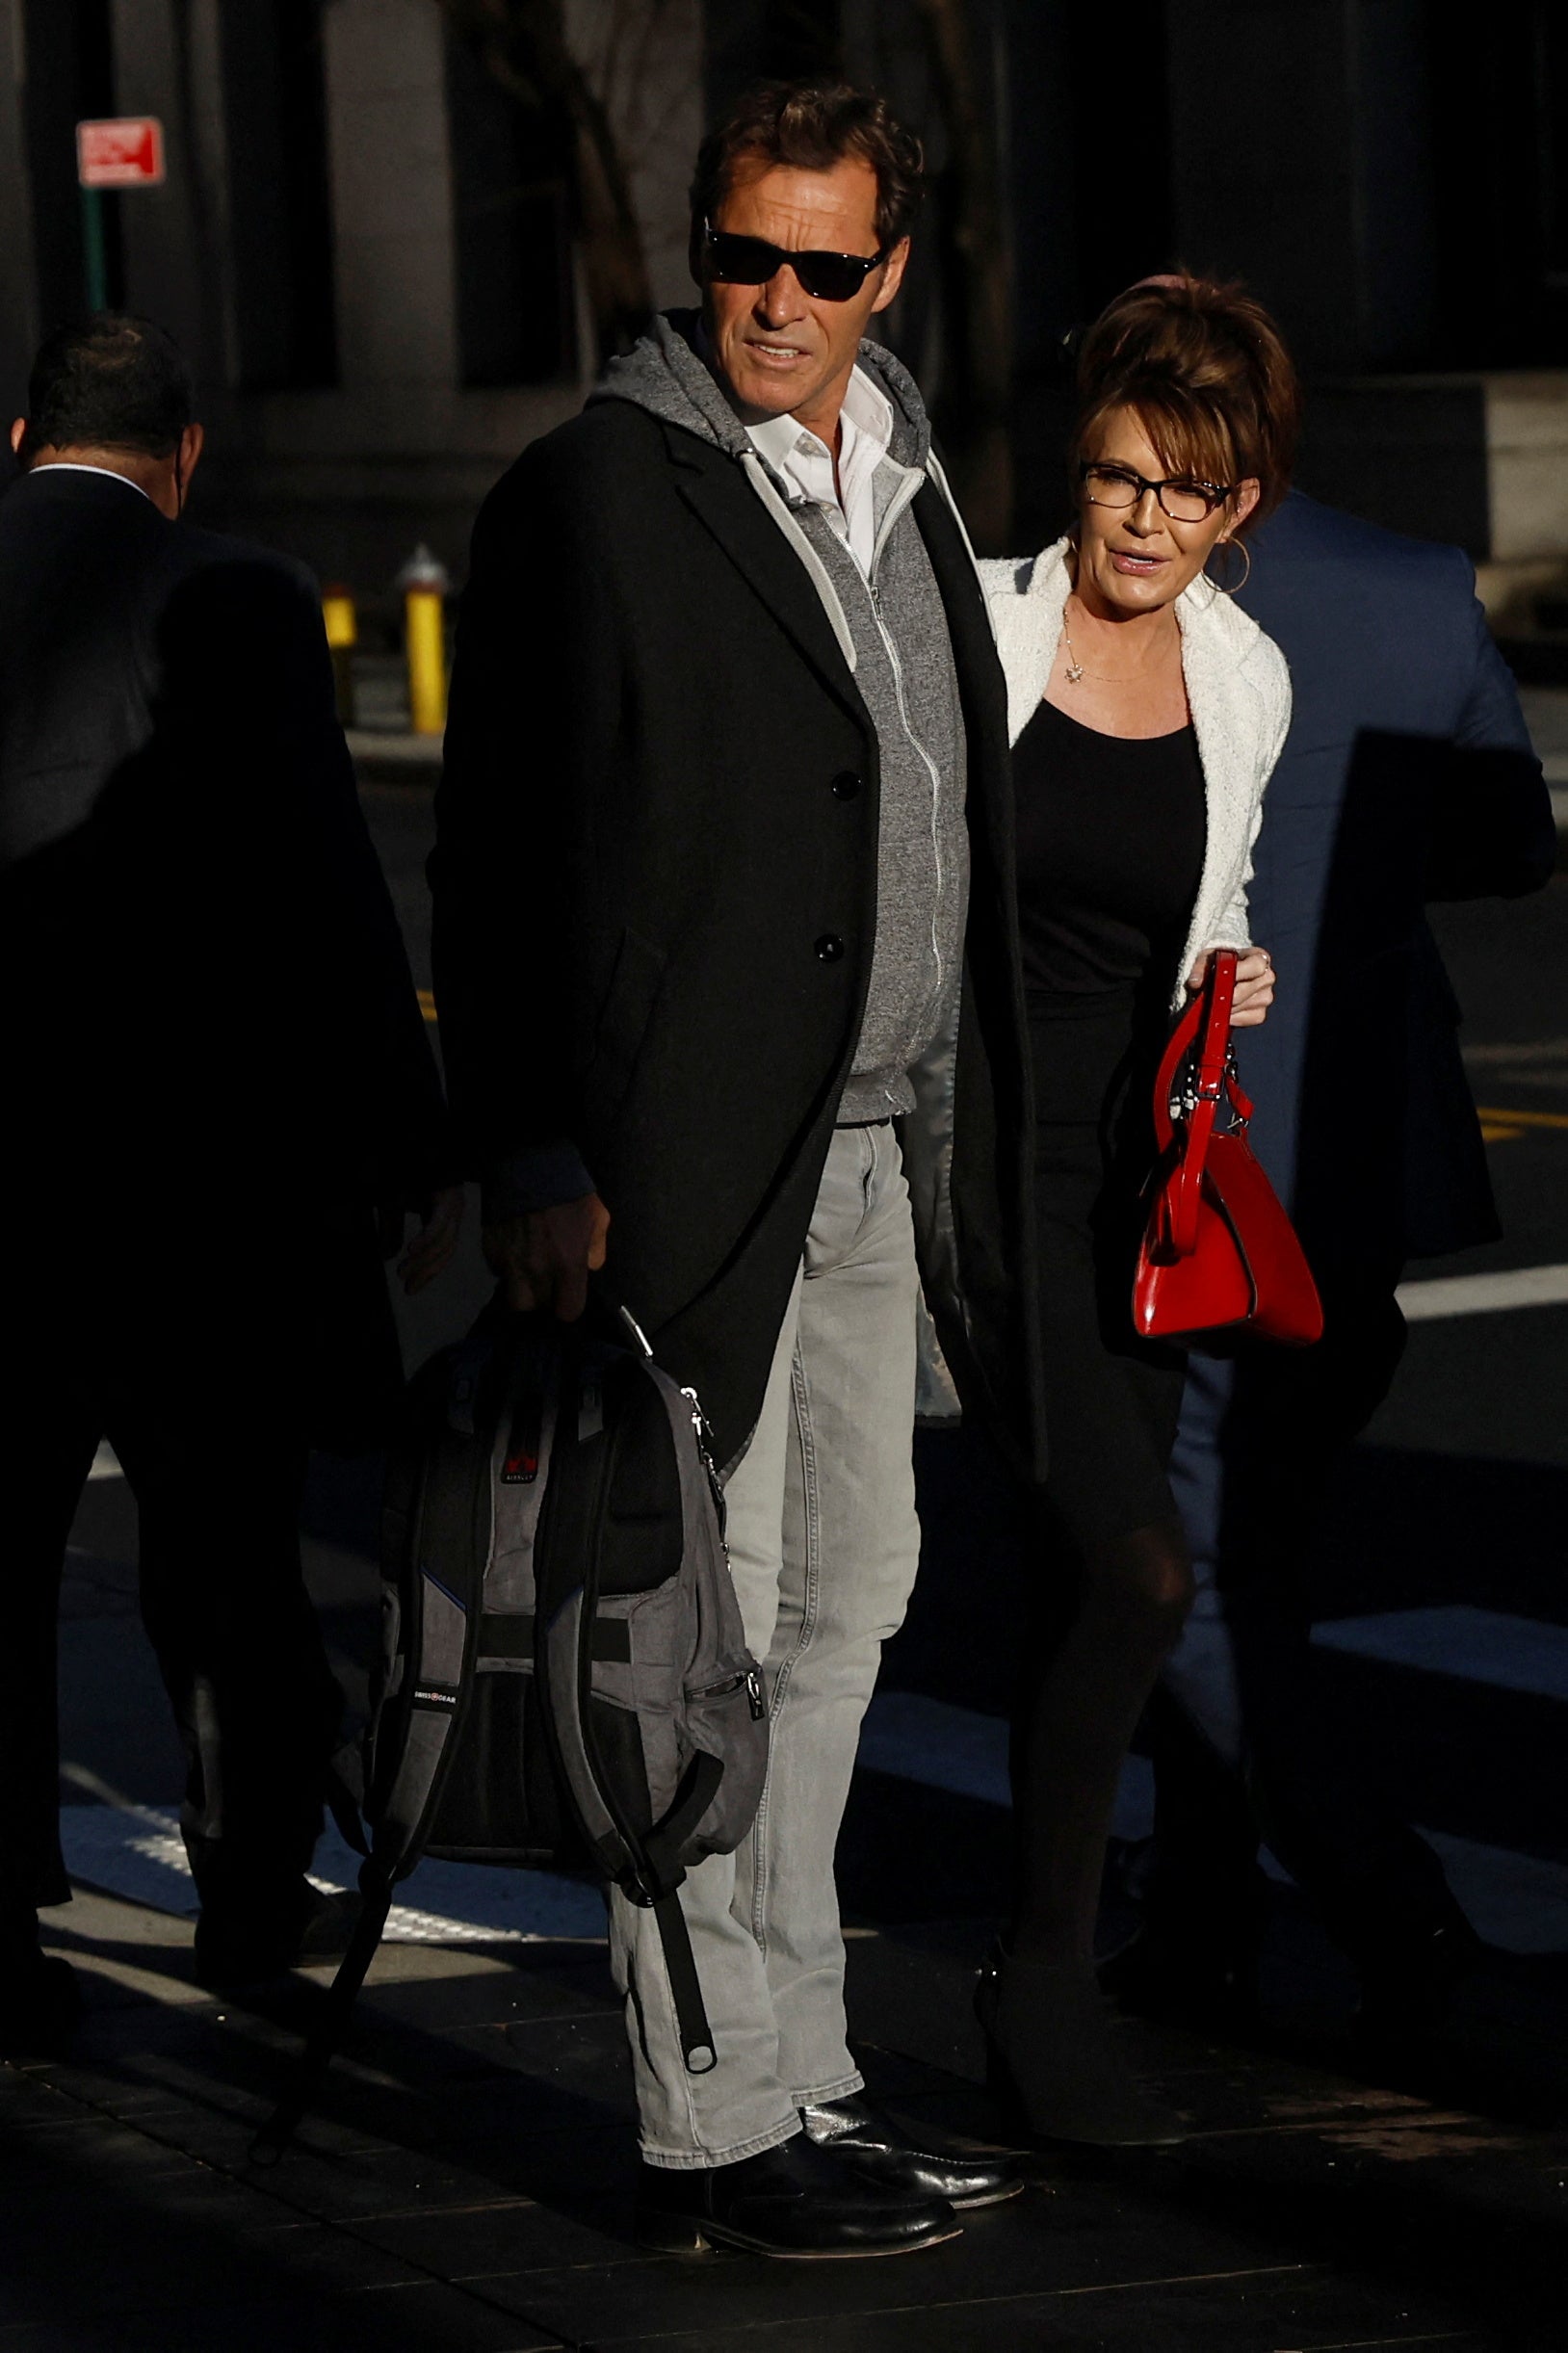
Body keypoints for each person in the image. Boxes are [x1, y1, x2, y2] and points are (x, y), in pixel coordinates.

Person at [433, 82, 1042, 2258]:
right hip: (695, 1177)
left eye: (816, 264)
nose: (769, 301)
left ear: (885, 272)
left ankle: (808, 2071)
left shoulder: (899, 475)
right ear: (696, 252)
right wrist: (528, 1139)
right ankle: (715, 2122)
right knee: (699, 1655)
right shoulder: (600, 492)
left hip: (882, 1160)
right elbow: (493, 852)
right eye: (736, 257)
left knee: (846, 1623)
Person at [0, 316, 460, 2050]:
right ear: (184, 454)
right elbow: (329, 895)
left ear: (18, 433)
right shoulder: (238, 600)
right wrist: (412, 1139)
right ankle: (251, 1886)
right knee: (227, 1544)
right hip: (189, 1185)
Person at [1109, 480, 1556, 2040]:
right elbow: (1513, 840)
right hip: (1361, 1157)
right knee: (1245, 1554)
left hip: (1195, 1158)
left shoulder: (1108, 586)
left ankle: (1396, 1915)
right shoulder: (1419, 585)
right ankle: (1199, 1921)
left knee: (1191, 1570)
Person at [974, 274, 1295, 2146]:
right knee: (1140, 1570)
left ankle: (1033, 1995)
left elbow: (1219, 889)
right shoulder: (990, 630)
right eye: (1118, 481)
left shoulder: (1242, 675)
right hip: (987, 1165)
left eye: (1187, 490)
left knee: (1071, 1592)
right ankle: (1051, 1985)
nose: (1146, 520)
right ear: (1075, 476)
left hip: (1141, 1185)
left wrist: (1228, 976)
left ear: (1235, 503)